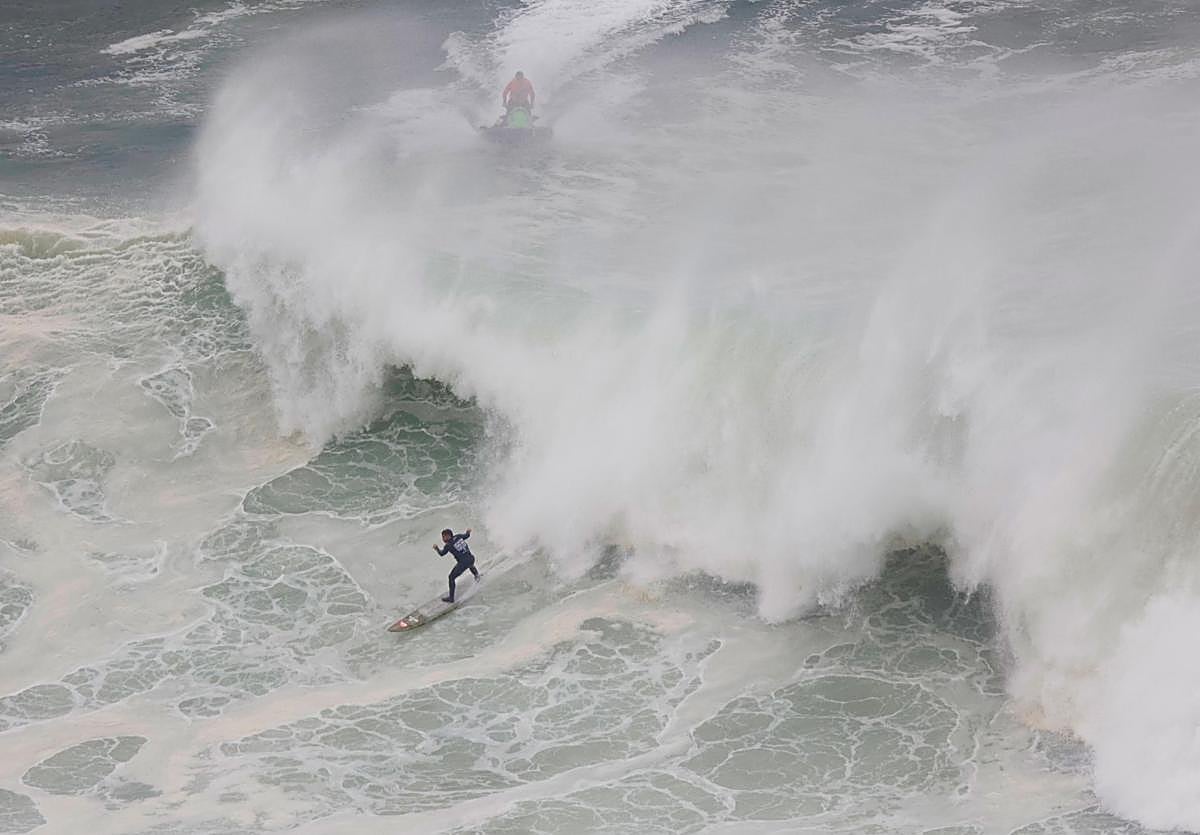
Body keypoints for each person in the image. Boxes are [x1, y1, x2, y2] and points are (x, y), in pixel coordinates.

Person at [433, 527, 480, 603]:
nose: (443, 539)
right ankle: (477, 576)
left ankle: (451, 598)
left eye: (444, 536)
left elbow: (442, 554)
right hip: (471, 558)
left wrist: (436, 548)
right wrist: (468, 531)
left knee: (451, 577)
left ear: (449, 536)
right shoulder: (458, 536)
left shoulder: (448, 545)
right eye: (442, 537)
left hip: (463, 563)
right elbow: (467, 535)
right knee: (470, 564)